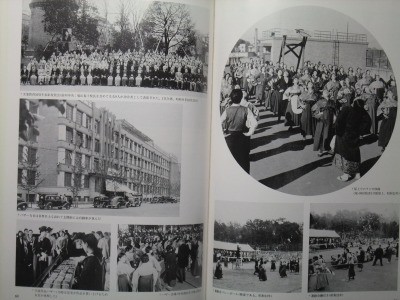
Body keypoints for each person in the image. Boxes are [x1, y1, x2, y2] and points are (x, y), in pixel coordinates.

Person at [334, 98, 371, 181]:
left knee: (345, 155)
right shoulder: (362, 111)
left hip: (344, 136)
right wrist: (360, 132)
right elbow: (368, 121)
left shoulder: (346, 109)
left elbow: (339, 122)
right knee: (355, 153)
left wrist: (338, 133)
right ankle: (357, 174)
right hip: (355, 136)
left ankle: (346, 175)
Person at [221, 88, 258, 173]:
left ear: (231, 98)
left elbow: (220, 122)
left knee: (231, 162)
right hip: (242, 137)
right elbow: (255, 123)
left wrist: (223, 134)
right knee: (243, 162)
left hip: (230, 138)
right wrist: (249, 133)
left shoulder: (227, 110)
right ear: (241, 97)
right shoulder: (246, 109)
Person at [312, 90, 336, 157]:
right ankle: (321, 150)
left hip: (330, 119)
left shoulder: (332, 101)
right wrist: (318, 113)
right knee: (321, 135)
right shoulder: (320, 101)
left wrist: (335, 117)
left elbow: (335, 111)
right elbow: (313, 108)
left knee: (329, 134)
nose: (326, 92)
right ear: (322, 95)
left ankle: (328, 149)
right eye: (324, 92)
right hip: (322, 120)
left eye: (327, 92)